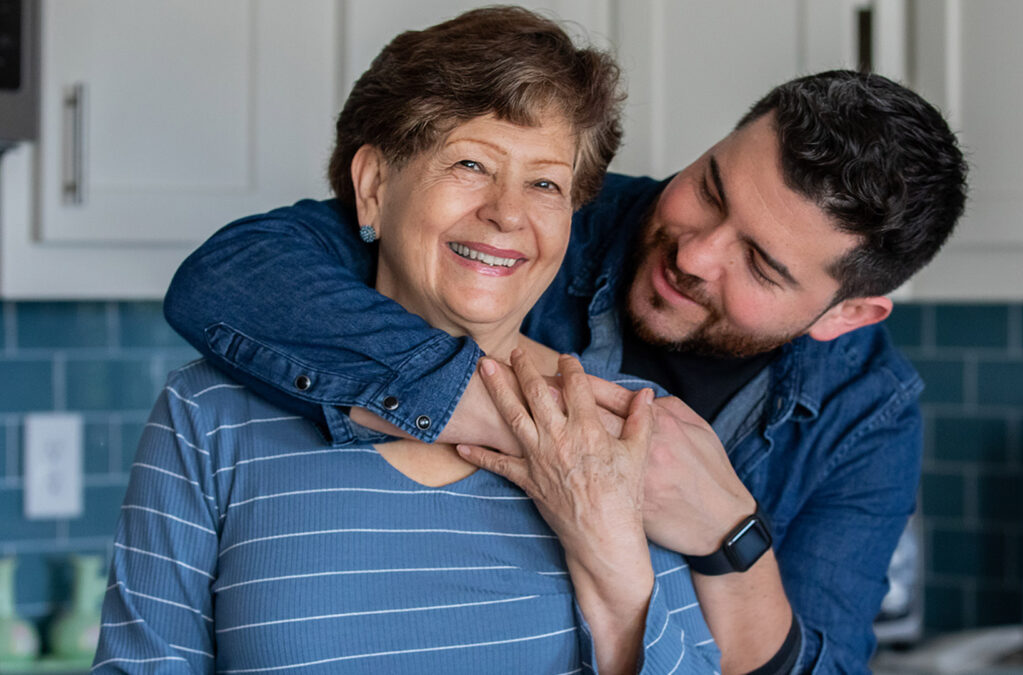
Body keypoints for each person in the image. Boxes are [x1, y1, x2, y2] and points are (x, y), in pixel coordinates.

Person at [165, 58, 969, 674]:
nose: (694, 252)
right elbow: (233, 277)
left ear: (844, 314)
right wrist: (538, 422)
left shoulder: (868, 410)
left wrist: (728, 535)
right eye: (712, 189)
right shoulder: (548, 211)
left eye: (760, 263)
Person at [94, 8, 721, 674]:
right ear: (373, 188)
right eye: (471, 164)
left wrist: (616, 567)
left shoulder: (624, 424)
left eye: (544, 183)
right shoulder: (210, 413)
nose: (508, 211)